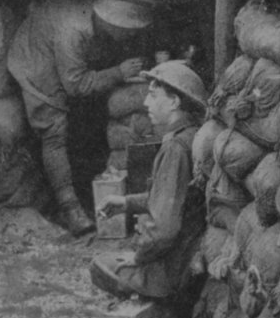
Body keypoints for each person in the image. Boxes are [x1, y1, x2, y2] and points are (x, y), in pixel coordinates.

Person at [7, 0, 152, 237]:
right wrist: (118, 72)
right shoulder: (72, 32)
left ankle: (87, 188)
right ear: (111, 23)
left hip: (57, 52)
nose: (131, 35)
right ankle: (69, 208)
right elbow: (76, 85)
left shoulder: (92, 18)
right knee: (54, 131)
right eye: (128, 30)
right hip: (36, 65)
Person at [89, 61, 208, 301]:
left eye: (153, 96)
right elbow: (174, 197)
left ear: (174, 102)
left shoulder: (175, 148)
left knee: (99, 265)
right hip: (187, 255)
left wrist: (139, 257)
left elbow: (164, 230)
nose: (146, 103)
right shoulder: (193, 135)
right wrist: (126, 202)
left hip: (172, 271)